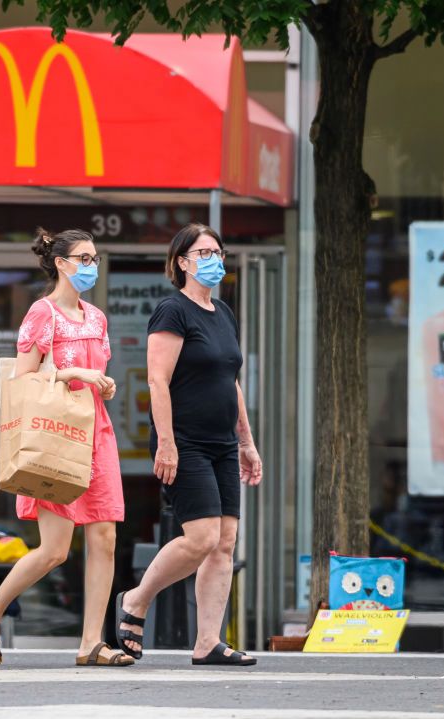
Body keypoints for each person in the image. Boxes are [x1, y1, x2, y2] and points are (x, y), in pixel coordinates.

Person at [0, 228, 131, 668]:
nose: (91, 266)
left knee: (105, 536)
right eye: (83, 258)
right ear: (60, 263)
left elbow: (95, 374)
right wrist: (69, 372)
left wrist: (103, 382)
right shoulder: (42, 314)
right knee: (56, 548)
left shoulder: (97, 318)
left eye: (94, 258)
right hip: (55, 432)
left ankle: (91, 642)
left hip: (95, 430)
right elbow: (21, 380)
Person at [114, 223, 263, 667]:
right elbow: (157, 380)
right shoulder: (171, 311)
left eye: (218, 250)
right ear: (182, 262)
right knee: (201, 537)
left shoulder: (224, 312)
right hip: (186, 441)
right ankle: (136, 600)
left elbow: (229, 381)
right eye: (204, 252)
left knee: (225, 542)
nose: (214, 258)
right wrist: (166, 443)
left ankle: (207, 642)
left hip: (221, 442)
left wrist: (247, 442)